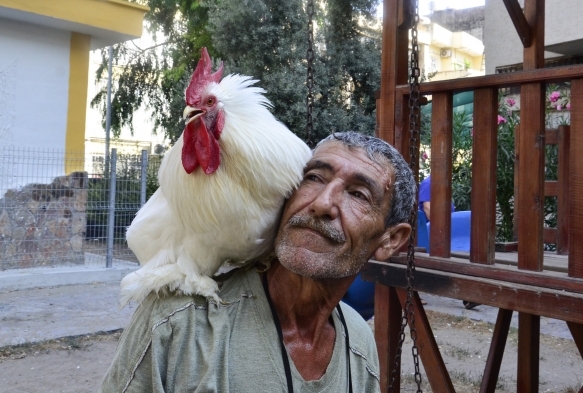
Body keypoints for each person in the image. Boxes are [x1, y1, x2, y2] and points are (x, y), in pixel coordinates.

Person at [98, 131, 417, 393]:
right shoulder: (178, 322)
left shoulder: (359, 341)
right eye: (315, 177)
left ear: (391, 240)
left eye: (358, 194)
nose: (322, 203)